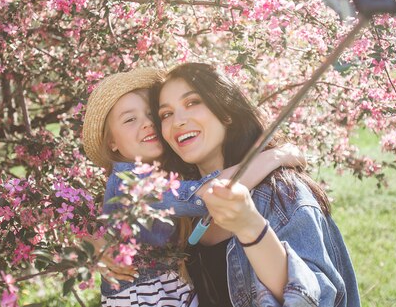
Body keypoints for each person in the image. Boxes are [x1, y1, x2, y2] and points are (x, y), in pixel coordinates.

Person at [81, 67, 305, 306]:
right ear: (112, 142)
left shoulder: (166, 173)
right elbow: (211, 193)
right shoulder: (130, 184)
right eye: (130, 119)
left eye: (152, 115)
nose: (147, 124)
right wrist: (273, 157)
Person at [152, 63, 361, 307]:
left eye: (192, 103)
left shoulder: (282, 195)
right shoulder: (179, 206)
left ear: (226, 112)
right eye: (166, 114)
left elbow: (315, 301)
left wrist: (251, 226)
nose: (177, 121)